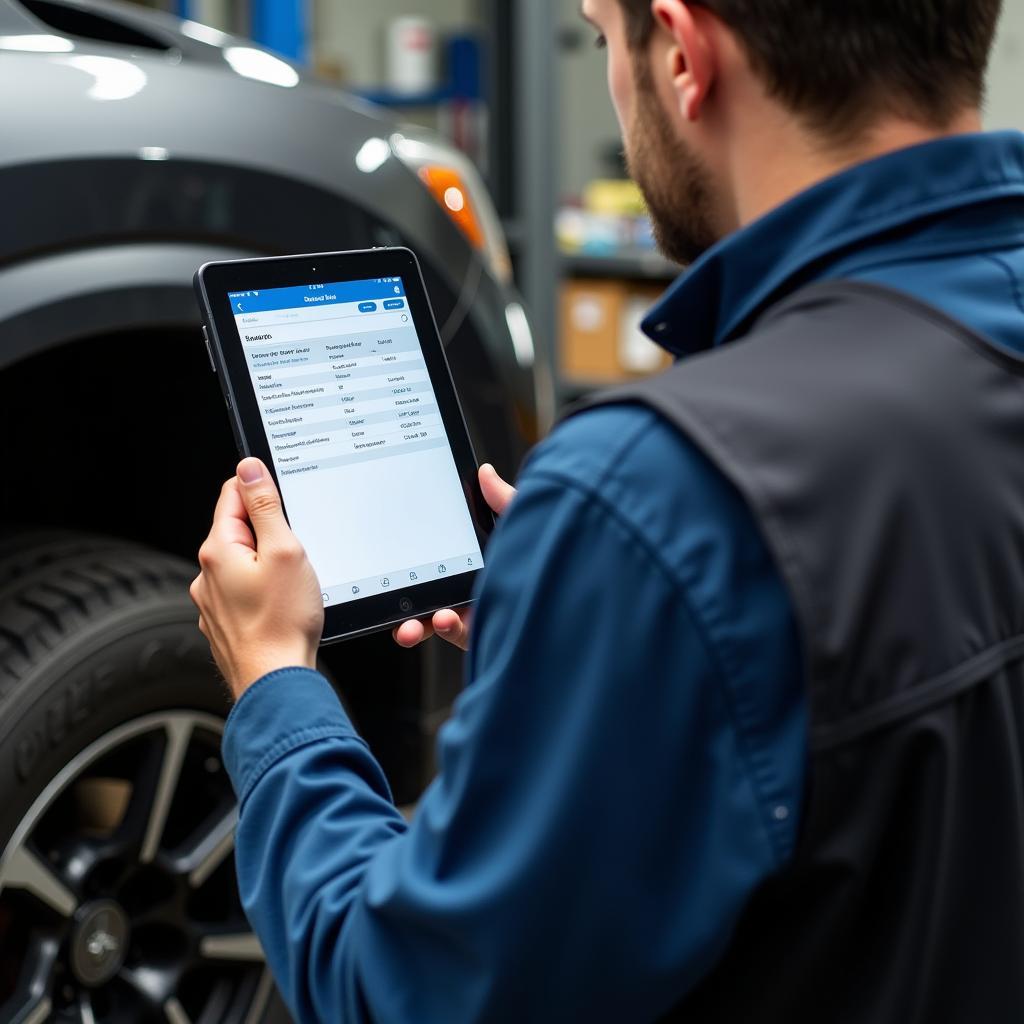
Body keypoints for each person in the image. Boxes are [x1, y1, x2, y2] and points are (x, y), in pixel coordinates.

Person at [190, 0, 1024, 1020]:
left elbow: (404, 992)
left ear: (681, 53)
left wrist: (274, 682)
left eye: (599, 38)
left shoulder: (660, 496)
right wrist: (592, 622)